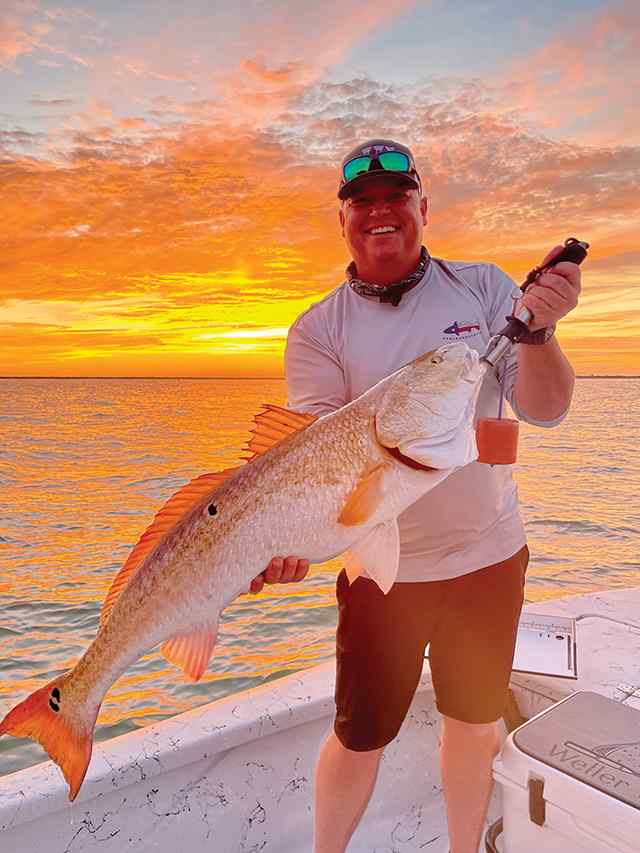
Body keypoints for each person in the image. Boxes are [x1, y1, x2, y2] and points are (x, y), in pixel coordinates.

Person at [249, 139, 581, 853]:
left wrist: (542, 331)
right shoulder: (318, 331)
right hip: (378, 571)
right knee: (359, 734)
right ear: (341, 220)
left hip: (489, 556)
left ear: (423, 208)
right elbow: (318, 466)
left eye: (396, 196)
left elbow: (545, 410)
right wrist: (292, 546)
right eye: (361, 200)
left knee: (472, 719)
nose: (380, 211)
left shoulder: (487, 290)